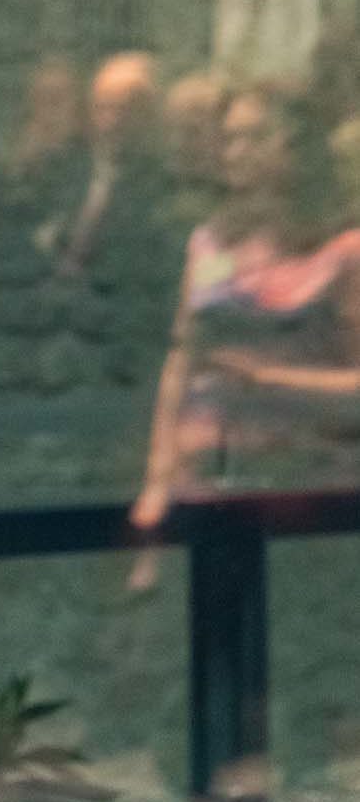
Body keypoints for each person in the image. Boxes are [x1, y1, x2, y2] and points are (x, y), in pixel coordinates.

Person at [131, 82, 360, 544]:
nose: (238, 152)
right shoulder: (211, 244)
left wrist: (265, 378)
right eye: (231, 138)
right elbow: (182, 358)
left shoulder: (343, 251)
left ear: (296, 147)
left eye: (255, 137)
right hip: (203, 481)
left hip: (306, 492)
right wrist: (157, 479)